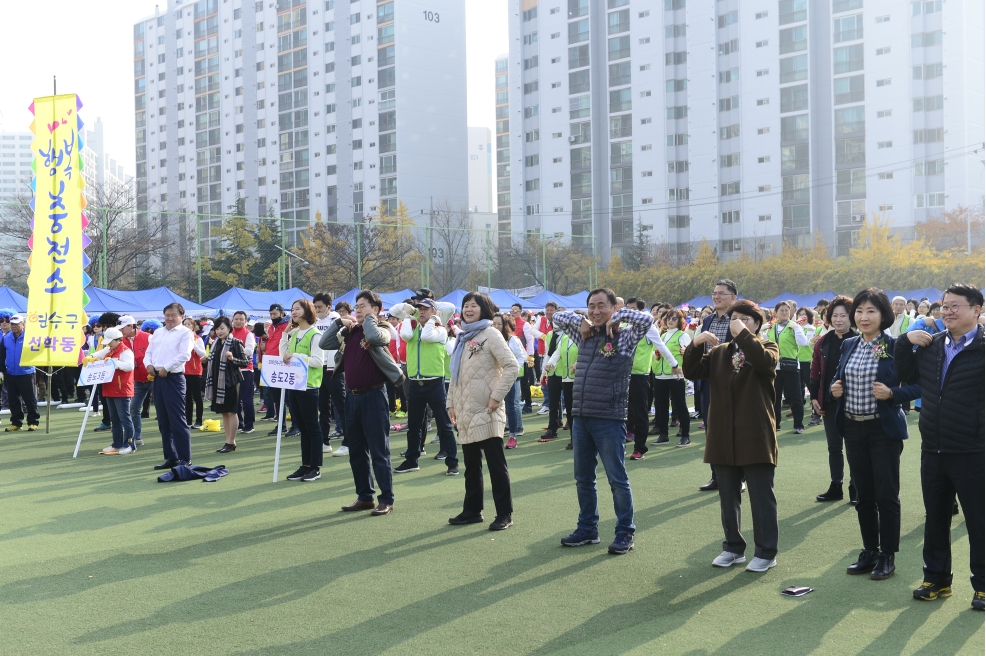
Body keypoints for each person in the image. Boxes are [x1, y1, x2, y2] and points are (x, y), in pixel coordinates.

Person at [896, 284, 984, 610]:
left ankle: (983, 585)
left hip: (973, 449)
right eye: (944, 306)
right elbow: (903, 373)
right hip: (933, 447)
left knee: (979, 520)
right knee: (936, 518)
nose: (946, 311)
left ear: (977, 310)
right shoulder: (931, 345)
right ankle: (936, 579)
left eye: (955, 306)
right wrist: (905, 342)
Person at [551, 289, 654, 555]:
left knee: (616, 478)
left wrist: (617, 318)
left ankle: (625, 532)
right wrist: (581, 319)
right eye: (591, 306)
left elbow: (646, 320)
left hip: (609, 417)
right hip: (581, 416)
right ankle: (588, 529)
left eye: (601, 307)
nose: (596, 311)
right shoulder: (583, 334)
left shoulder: (625, 336)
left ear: (613, 307)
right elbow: (557, 318)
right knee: (583, 477)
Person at [684, 300, 780, 572]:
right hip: (723, 434)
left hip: (755, 433)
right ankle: (733, 547)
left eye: (745, 319)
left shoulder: (767, 347)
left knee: (762, 496)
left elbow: (764, 363)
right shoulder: (721, 353)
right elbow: (692, 372)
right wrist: (696, 343)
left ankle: (766, 551)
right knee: (728, 494)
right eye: (734, 319)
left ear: (757, 324)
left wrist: (744, 334)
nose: (737, 323)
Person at [830, 289, 919, 581]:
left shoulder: (895, 346)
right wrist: (835, 387)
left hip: (883, 429)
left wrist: (893, 393)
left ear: (883, 315)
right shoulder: (849, 345)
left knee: (886, 495)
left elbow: (918, 386)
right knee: (863, 495)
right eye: (859, 311)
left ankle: (887, 555)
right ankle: (869, 550)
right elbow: (838, 376)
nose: (863, 317)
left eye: (871, 311)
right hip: (853, 428)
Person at [320, 290, 405, 515]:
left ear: (376, 310)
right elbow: (324, 342)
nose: (357, 310)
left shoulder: (383, 327)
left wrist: (369, 319)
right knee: (356, 451)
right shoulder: (350, 331)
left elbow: (377, 339)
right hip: (353, 397)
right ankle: (365, 496)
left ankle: (386, 499)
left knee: (379, 450)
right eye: (356, 306)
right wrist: (339, 321)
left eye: (363, 306)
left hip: (374, 396)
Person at [446, 292, 520, 530]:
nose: (468, 309)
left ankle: (504, 514)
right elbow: (455, 376)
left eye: (473, 306)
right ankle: (472, 510)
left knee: (496, 465)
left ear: (484, 309)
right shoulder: (464, 337)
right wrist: (450, 403)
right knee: (471, 465)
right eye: (466, 306)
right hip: (466, 410)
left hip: (487, 410)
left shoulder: (491, 334)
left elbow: (512, 366)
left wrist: (496, 397)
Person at [392, 298, 459, 475]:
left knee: (444, 425)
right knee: (414, 426)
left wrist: (433, 311)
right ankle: (411, 460)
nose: (421, 312)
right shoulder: (412, 330)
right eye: (419, 309)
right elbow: (394, 310)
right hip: (414, 383)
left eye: (426, 309)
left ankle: (452, 462)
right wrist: (411, 310)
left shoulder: (440, 330)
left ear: (434, 312)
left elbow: (450, 306)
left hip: (435, 383)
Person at [809, 296, 857, 503]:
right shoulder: (823, 341)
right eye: (834, 315)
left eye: (843, 316)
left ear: (851, 317)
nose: (838, 320)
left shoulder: (859, 340)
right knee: (834, 447)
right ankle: (835, 485)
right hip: (828, 403)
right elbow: (815, 372)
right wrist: (813, 397)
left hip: (855, 403)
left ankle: (857, 487)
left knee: (855, 447)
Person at [697, 280, 739, 491]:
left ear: (733, 297)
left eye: (721, 293)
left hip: (733, 381)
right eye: (714, 293)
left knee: (734, 429)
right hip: (709, 381)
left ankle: (738, 478)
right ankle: (717, 476)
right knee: (712, 431)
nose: (716, 297)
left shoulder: (739, 320)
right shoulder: (708, 321)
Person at [144, 303, 195, 470]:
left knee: (177, 419)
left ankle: (184, 458)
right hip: (158, 378)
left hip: (173, 377)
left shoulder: (185, 333)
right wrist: (148, 364)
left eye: (174, 315)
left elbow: (184, 355)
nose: (170, 318)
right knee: (163, 420)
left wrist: (167, 367)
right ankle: (171, 457)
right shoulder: (158, 332)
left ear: (181, 316)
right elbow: (148, 352)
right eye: (167, 315)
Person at [280, 300, 326, 481]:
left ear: (308, 311)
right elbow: (282, 355)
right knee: (303, 428)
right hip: (294, 385)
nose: (293, 312)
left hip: (309, 386)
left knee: (312, 427)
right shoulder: (294, 334)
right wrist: (284, 336)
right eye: (292, 309)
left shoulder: (315, 334)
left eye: (297, 309)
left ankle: (315, 467)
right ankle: (305, 464)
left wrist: (296, 356)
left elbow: (317, 361)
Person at [204, 316, 249, 454]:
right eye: (217, 328)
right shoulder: (216, 343)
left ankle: (231, 441)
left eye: (222, 328)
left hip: (231, 382)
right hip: (218, 382)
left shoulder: (235, 342)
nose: (219, 331)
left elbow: (245, 362)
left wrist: (232, 358)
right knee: (224, 412)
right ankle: (228, 441)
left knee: (231, 411)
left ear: (229, 328)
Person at [649, 308, 691, 451]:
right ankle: (663, 435)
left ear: (680, 321)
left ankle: (685, 435)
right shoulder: (662, 335)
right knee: (661, 406)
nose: (671, 321)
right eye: (668, 318)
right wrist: (655, 357)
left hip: (675, 375)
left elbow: (689, 353)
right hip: (660, 375)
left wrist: (685, 355)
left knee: (680, 405)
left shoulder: (682, 335)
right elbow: (655, 354)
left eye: (674, 319)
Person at [91, 327, 136, 455]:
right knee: (114, 420)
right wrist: (91, 358)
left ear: (118, 340)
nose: (109, 344)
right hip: (109, 388)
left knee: (125, 418)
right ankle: (117, 444)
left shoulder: (125, 351)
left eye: (111, 341)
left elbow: (129, 366)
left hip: (122, 389)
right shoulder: (109, 350)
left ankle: (130, 444)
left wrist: (115, 363)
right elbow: (96, 354)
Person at [767, 301, 809, 434]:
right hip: (775, 367)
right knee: (775, 397)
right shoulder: (771, 327)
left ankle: (798, 425)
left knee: (796, 397)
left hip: (791, 367)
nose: (784, 312)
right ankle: (776, 424)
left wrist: (797, 329)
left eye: (787, 310)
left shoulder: (794, 326)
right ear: (776, 313)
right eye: (781, 310)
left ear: (791, 312)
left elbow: (803, 343)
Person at [313, 293, 347, 456]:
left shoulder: (336, 320)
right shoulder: (315, 321)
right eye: (315, 307)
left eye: (319, 307)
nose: (317, 310)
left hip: (334, 369)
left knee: (341, 405)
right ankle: (324, 441)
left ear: (328, 307)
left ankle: (348, 441)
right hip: (319, 369)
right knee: (323, 406)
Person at [540, 317, 579, 442]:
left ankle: (577, 437)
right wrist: (547, 366)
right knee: (557, 403)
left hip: (576, 378)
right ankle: (557, 429)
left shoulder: (581, 338)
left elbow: (586, 353)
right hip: (562, 376)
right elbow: (553, 353)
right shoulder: (560, 337)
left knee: (575, 409)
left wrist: (577, 364)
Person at [0, 315, 39, 431]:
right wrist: (2, 370)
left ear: (23, 324)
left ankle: (33, 422)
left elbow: (38, 351)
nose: (14, 326)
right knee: (13, 399)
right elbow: (2, 355)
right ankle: (16, 423)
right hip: (10, 373)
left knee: (29, 398)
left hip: (26, 372)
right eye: (12, 324)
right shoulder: (6, 337)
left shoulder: (30, 337)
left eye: (17, 324)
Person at [497, 313, 526, 448]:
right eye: (494, 324)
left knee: (510, 406)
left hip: (508, 378)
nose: (496, 326)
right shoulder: (490, 338)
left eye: (499, 324)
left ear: (505, 326)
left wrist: (513, 371)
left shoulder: (512, 340)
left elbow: (522, 356)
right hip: (494, 378)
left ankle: (513, 435)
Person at [265, 303, 291, 437]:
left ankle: (296, 425)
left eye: (274, 313)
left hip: (285, 364)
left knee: (288, 398)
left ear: (282, 313)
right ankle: (281, 425)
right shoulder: (271, 327)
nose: (272, 316)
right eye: (271, 314)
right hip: (271, 364)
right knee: (276, 397)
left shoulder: (290, 325)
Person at [231, 311, 258, 435]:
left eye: (241, 319)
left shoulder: (248, 334)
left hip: (246, 370)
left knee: (247, 399)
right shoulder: (229, 332)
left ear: (246, 321)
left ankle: (249, 424)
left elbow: (248, 351)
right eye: (236, 319)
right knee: (235, 400)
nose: (238, 321)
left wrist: (232, 353)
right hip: (231, 370)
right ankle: (239, 423)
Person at [182, 318, 206, 429]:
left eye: (189, 324)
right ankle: (188, 420)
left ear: (193, 326)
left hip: (196, 372)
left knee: (197, 397)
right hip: (183, 371)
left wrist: (194, 346)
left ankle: (199, 421)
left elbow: (203, 354)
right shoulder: (181, 338)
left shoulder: (198, 339)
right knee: (187, 397)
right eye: (185, 324)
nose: (187, 326)